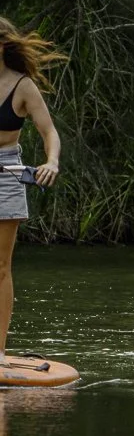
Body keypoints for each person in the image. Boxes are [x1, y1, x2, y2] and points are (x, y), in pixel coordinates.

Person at [0, 18, 63, 362]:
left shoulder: (22, 86)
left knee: (1, 267)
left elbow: (49, 132)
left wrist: (51, 162)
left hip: (7, 171)